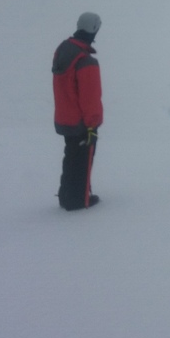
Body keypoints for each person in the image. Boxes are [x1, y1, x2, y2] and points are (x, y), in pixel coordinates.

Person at [52, 12, 104, 210]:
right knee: (82, 161)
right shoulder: (86, 61)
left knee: (71, 157)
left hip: (65, 118)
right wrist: (92, 125)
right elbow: (90, 98)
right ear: (93, 30)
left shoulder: (64, 50)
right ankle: (78, 201)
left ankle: (66, 196)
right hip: (82, 122)